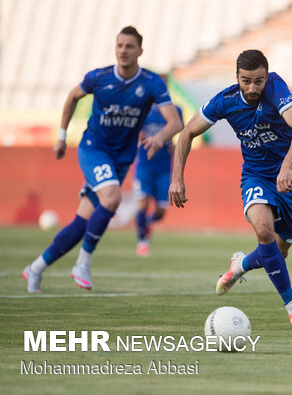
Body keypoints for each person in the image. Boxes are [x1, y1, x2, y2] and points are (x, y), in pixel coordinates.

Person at [23, 26, 183, 292]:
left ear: (140, 51)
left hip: (121, 158)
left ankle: (35, 268)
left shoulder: (152, 83)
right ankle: (83, 264)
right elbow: (73, 96)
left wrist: (159, 137)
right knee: (112, 198)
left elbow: (175, 122)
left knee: (81, 223)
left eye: (129, 46)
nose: (123, 50)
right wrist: (61, 136)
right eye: (119, 45)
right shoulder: (99, 77)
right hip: (93, 148)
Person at [169, 49, 292, 327]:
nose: (253, 88)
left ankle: (240, 266)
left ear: (266, 77)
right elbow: (187, 132)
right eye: (246, 81)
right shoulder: (224, 101)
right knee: (264, 231)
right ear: (236, 77)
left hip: (290, 179)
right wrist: (177, 177)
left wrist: (287, 166)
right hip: (256, 177)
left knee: (278, 251)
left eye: (258, 81)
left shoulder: (276, 88)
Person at [134, 84, 184, 257]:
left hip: (164, 167)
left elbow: (181, 132)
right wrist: (137, 135)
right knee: (143, 202)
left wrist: (175, 146)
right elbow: (133, 131)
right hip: (145, 165)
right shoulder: (142, 110)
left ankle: (146, 223)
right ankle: (142, 242)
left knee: (161, 212)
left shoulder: (176, 110)